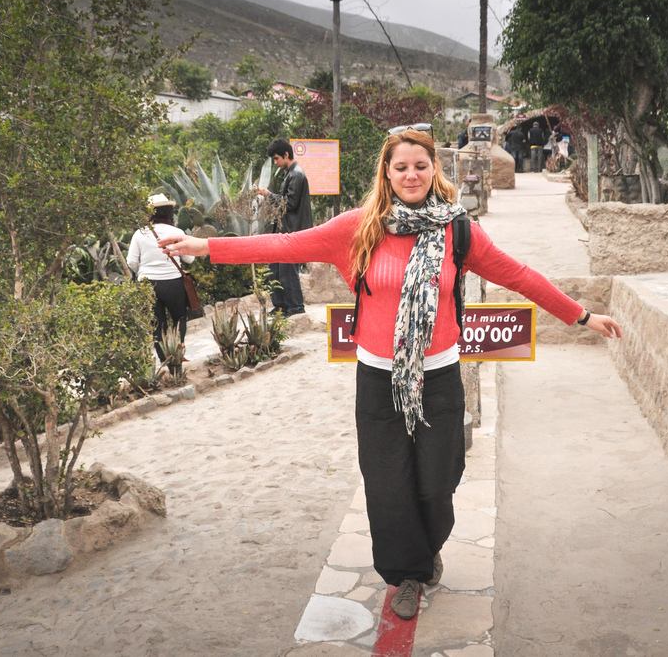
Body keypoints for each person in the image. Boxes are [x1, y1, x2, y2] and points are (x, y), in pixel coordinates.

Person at [159, 128, 622, 621]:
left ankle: (427, 546)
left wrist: (581, 316)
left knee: (437, 481)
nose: (411, 175)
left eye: (420, 166)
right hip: (379, 380)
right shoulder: (359, 227)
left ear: (434, 170)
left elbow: (519, 274)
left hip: (439, 376)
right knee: (387, 484)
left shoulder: (458, 231)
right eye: (401, 167)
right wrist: (203, 246)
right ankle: (408, 574)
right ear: (387, 172)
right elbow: (286, 243)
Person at [126, 193, 195, 361]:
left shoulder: (139, 234)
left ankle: (165, 360)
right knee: (179, 318)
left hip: (148, 284)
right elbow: (189, 259)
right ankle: (178, 354)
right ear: (170, 212)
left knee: (157, 324)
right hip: (173, 283)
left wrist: (144, 270)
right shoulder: (176, 232)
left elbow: (131, 262)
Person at [255, 139, 313, 316]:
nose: (275, 162)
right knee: (275, 269)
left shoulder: (297, 175)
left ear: (286, 155)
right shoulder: (290, 173)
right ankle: (281, 305)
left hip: (292, 231)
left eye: (276, 158)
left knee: (288, 270)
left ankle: (295, 306)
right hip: (284, 230)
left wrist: (268, 194)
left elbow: (290, 204)